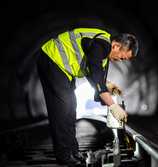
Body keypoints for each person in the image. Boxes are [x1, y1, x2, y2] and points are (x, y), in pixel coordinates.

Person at [36, 27, 139, 166]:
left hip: (62, 69)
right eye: (121, 57)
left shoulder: (103, 54)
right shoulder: (101, 45)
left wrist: (109, 86)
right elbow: (96, 78)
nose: (120, 61)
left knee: (71, 108)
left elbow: (96, 77)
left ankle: (73, 152)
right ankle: (64, 155)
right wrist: (113, 106)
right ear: (116, 46)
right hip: (52, 59)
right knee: (63, 108)